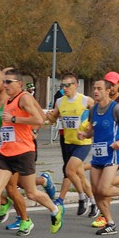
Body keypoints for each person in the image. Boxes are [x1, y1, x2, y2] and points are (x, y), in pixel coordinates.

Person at [0, 69, 63, 238]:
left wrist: (14, 120)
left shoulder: (24, 98)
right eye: (4, 82)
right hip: (5, 152)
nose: (5, 85)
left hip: (23, 152)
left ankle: (54, 209)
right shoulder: (7, 100)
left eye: (8, 82)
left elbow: (39, 119)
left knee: (32, 193)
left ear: (19, 84)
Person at [78, 79, 119, 235]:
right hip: (98, 153)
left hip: (112, 153)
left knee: (104, 189)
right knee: (96, 191)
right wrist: (85, 134)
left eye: (99, 88)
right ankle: (110, 223)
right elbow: (94, 130)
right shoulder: (93, 110)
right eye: (94, 88)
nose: (96, 91)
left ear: (107, 91)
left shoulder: (116, 108)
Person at [46, 73, 98, 218]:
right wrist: (49, 116)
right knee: (79, 175)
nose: (64, 88)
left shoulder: (85, 100)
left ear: (75, 85)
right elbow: (53, 119)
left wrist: (89, 127)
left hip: (82, 142)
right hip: (68, 142)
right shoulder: (60, 101)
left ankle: (82, 198)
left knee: (69, 171)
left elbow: (98, 114)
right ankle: (94, 202)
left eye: (67, 85)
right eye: (62, 85)